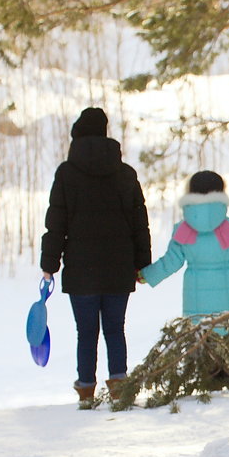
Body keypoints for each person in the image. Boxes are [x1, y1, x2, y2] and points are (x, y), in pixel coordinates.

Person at [41, 107, 151, 408]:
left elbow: (56, 223)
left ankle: (86, 391)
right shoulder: (126, 174)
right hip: (118, 267)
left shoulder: (66, 173)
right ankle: (119, 387)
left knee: (86, 332)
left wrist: (49, 264)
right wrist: (143, 263)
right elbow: (139, 223)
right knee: (115, 328)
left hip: (81, 269)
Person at [138, 171, 229, 385]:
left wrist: (146, 275)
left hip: (196, 298)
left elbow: (171, 261)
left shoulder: (184, 229)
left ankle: (208, 380)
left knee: (204, 338)